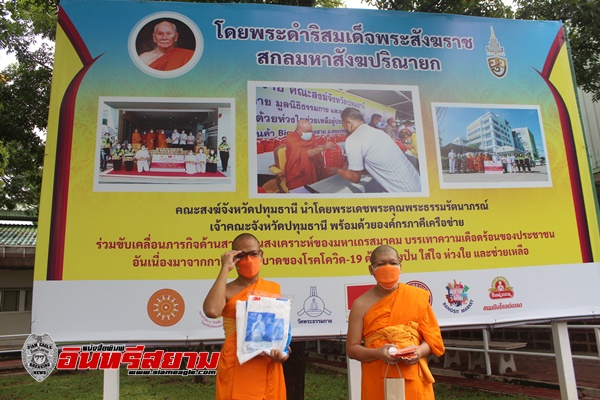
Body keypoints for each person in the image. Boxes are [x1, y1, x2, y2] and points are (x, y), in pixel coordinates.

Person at [346, 245, 445, 400]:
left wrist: (419, 352)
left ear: (400, 266)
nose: (388, 267)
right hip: (377, 377)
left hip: (412, 375)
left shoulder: (416, 297)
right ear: (371, 270)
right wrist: (378, 353)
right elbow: (352, 349)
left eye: (392, 263)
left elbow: (433, 339)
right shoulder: (360, 304)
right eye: (380, 264)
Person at [203, 233, 289, 400]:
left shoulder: (272, 289)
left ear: (261, 255)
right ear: (234, 258)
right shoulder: (226, 290)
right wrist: (224, 269)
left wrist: (284, 351)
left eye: (253, 254)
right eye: (242, 255)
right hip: (237, 364)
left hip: (267, 363)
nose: (249, 260)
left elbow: (280, 331)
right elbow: (212, 311)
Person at [338, 108, 421, 193]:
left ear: (349, 123)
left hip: (402, 193)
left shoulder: (353, 139)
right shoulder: (379, 133)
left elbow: (355, 178)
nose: (344, 128)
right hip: (417, 184)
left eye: (343, 125)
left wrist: (337, 170)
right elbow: (379, 166)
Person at [284, 120, 334, 190]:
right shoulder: (291, 137)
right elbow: (302, 154)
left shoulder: (312, 137)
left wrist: (328, 159)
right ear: (297, 130)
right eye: (306, 131)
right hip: (297, 172)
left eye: (310, 131)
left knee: (330, 180)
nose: (309, 133)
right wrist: (322, 147)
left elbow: (317, 155)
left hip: (312, 169)